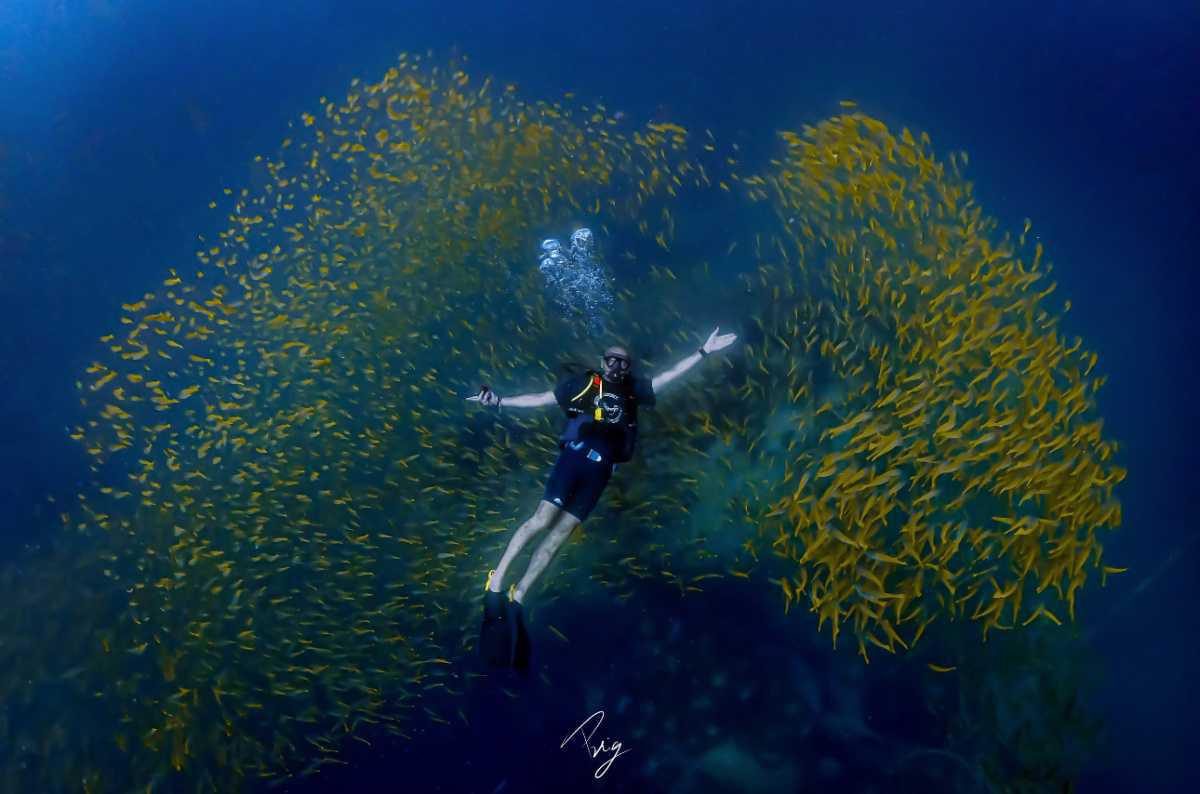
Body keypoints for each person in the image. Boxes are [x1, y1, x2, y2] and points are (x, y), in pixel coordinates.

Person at [466, 326, 738, 673]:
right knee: (542, 521)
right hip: (574, 459)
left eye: (623, 363)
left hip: (601, 472)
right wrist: (499, 402)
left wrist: (703, 352)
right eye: (611, 360)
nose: (616, 366)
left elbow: (668, 378)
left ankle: (519, 596)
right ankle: (497, 580)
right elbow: (541, 399)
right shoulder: (583, 385)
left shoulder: (633, 392)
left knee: (559, 538)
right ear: (601, 362)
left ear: (628, 368)